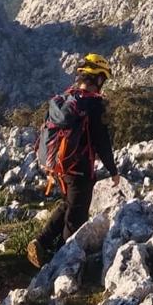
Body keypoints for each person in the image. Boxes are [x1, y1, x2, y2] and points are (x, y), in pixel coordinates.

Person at [28, 53, 120, 267]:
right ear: (98, 79)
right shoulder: (92, 104)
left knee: (68, 203)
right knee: (76, 217)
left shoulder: (66, 98)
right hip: (79, 169)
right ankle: (63, 262)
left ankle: (41, 241)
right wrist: (113, 169)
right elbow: (101, 140)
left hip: (59, 167)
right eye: (103, 79)